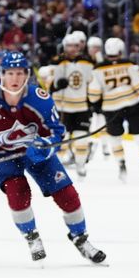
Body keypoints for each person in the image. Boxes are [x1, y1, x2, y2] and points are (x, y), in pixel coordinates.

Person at [0, 51, 106, 263]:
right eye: (10, 73)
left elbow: (56, 131)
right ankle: (31, 236)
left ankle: (80, 237)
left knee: (67, 194)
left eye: (19, 73)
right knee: (18, 193)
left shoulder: (40, 99)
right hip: (1, 156)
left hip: (37, 153)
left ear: (27, 75)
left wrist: (45, 145)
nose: (14, 79)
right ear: (1, 75)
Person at [88, 37, 139, 183]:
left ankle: (121, 166)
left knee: (114, 139)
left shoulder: (98, 69)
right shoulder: (130, 65)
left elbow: (93, 95)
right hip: (132, 105)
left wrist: (98, 104)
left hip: (111, 108)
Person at [50, 33, 94, 177]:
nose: (72, 49)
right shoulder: (58, 62)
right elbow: (51, 85)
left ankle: (81, 165)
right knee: (62, 138)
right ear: (64, 46)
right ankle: (59, 164)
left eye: (75, 46)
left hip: (82, 107)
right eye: (69, 46)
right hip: (64, 107)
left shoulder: (87, 62)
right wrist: (57, 86)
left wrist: (93, 101)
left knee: (82, 138)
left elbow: (91, 82)